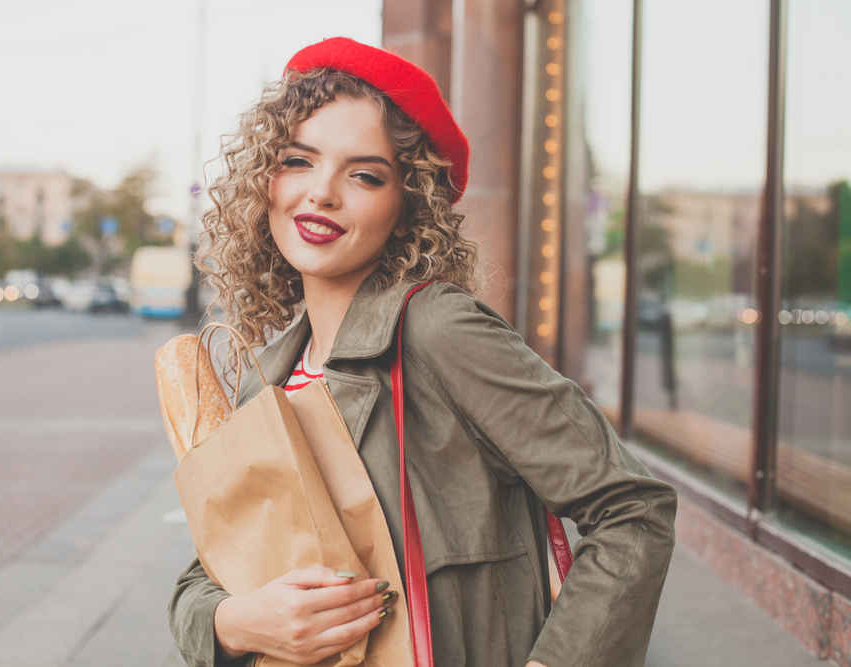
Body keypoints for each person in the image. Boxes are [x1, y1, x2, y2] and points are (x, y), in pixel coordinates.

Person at [169, 37, 677, 667]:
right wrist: (236, 623)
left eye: (364, 175)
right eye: (298, 160)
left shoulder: (437, 330)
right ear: (263, 179)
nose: (322, 193)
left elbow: (633, 507)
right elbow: (207, 569)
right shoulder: (266, 375)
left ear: (408, 205)